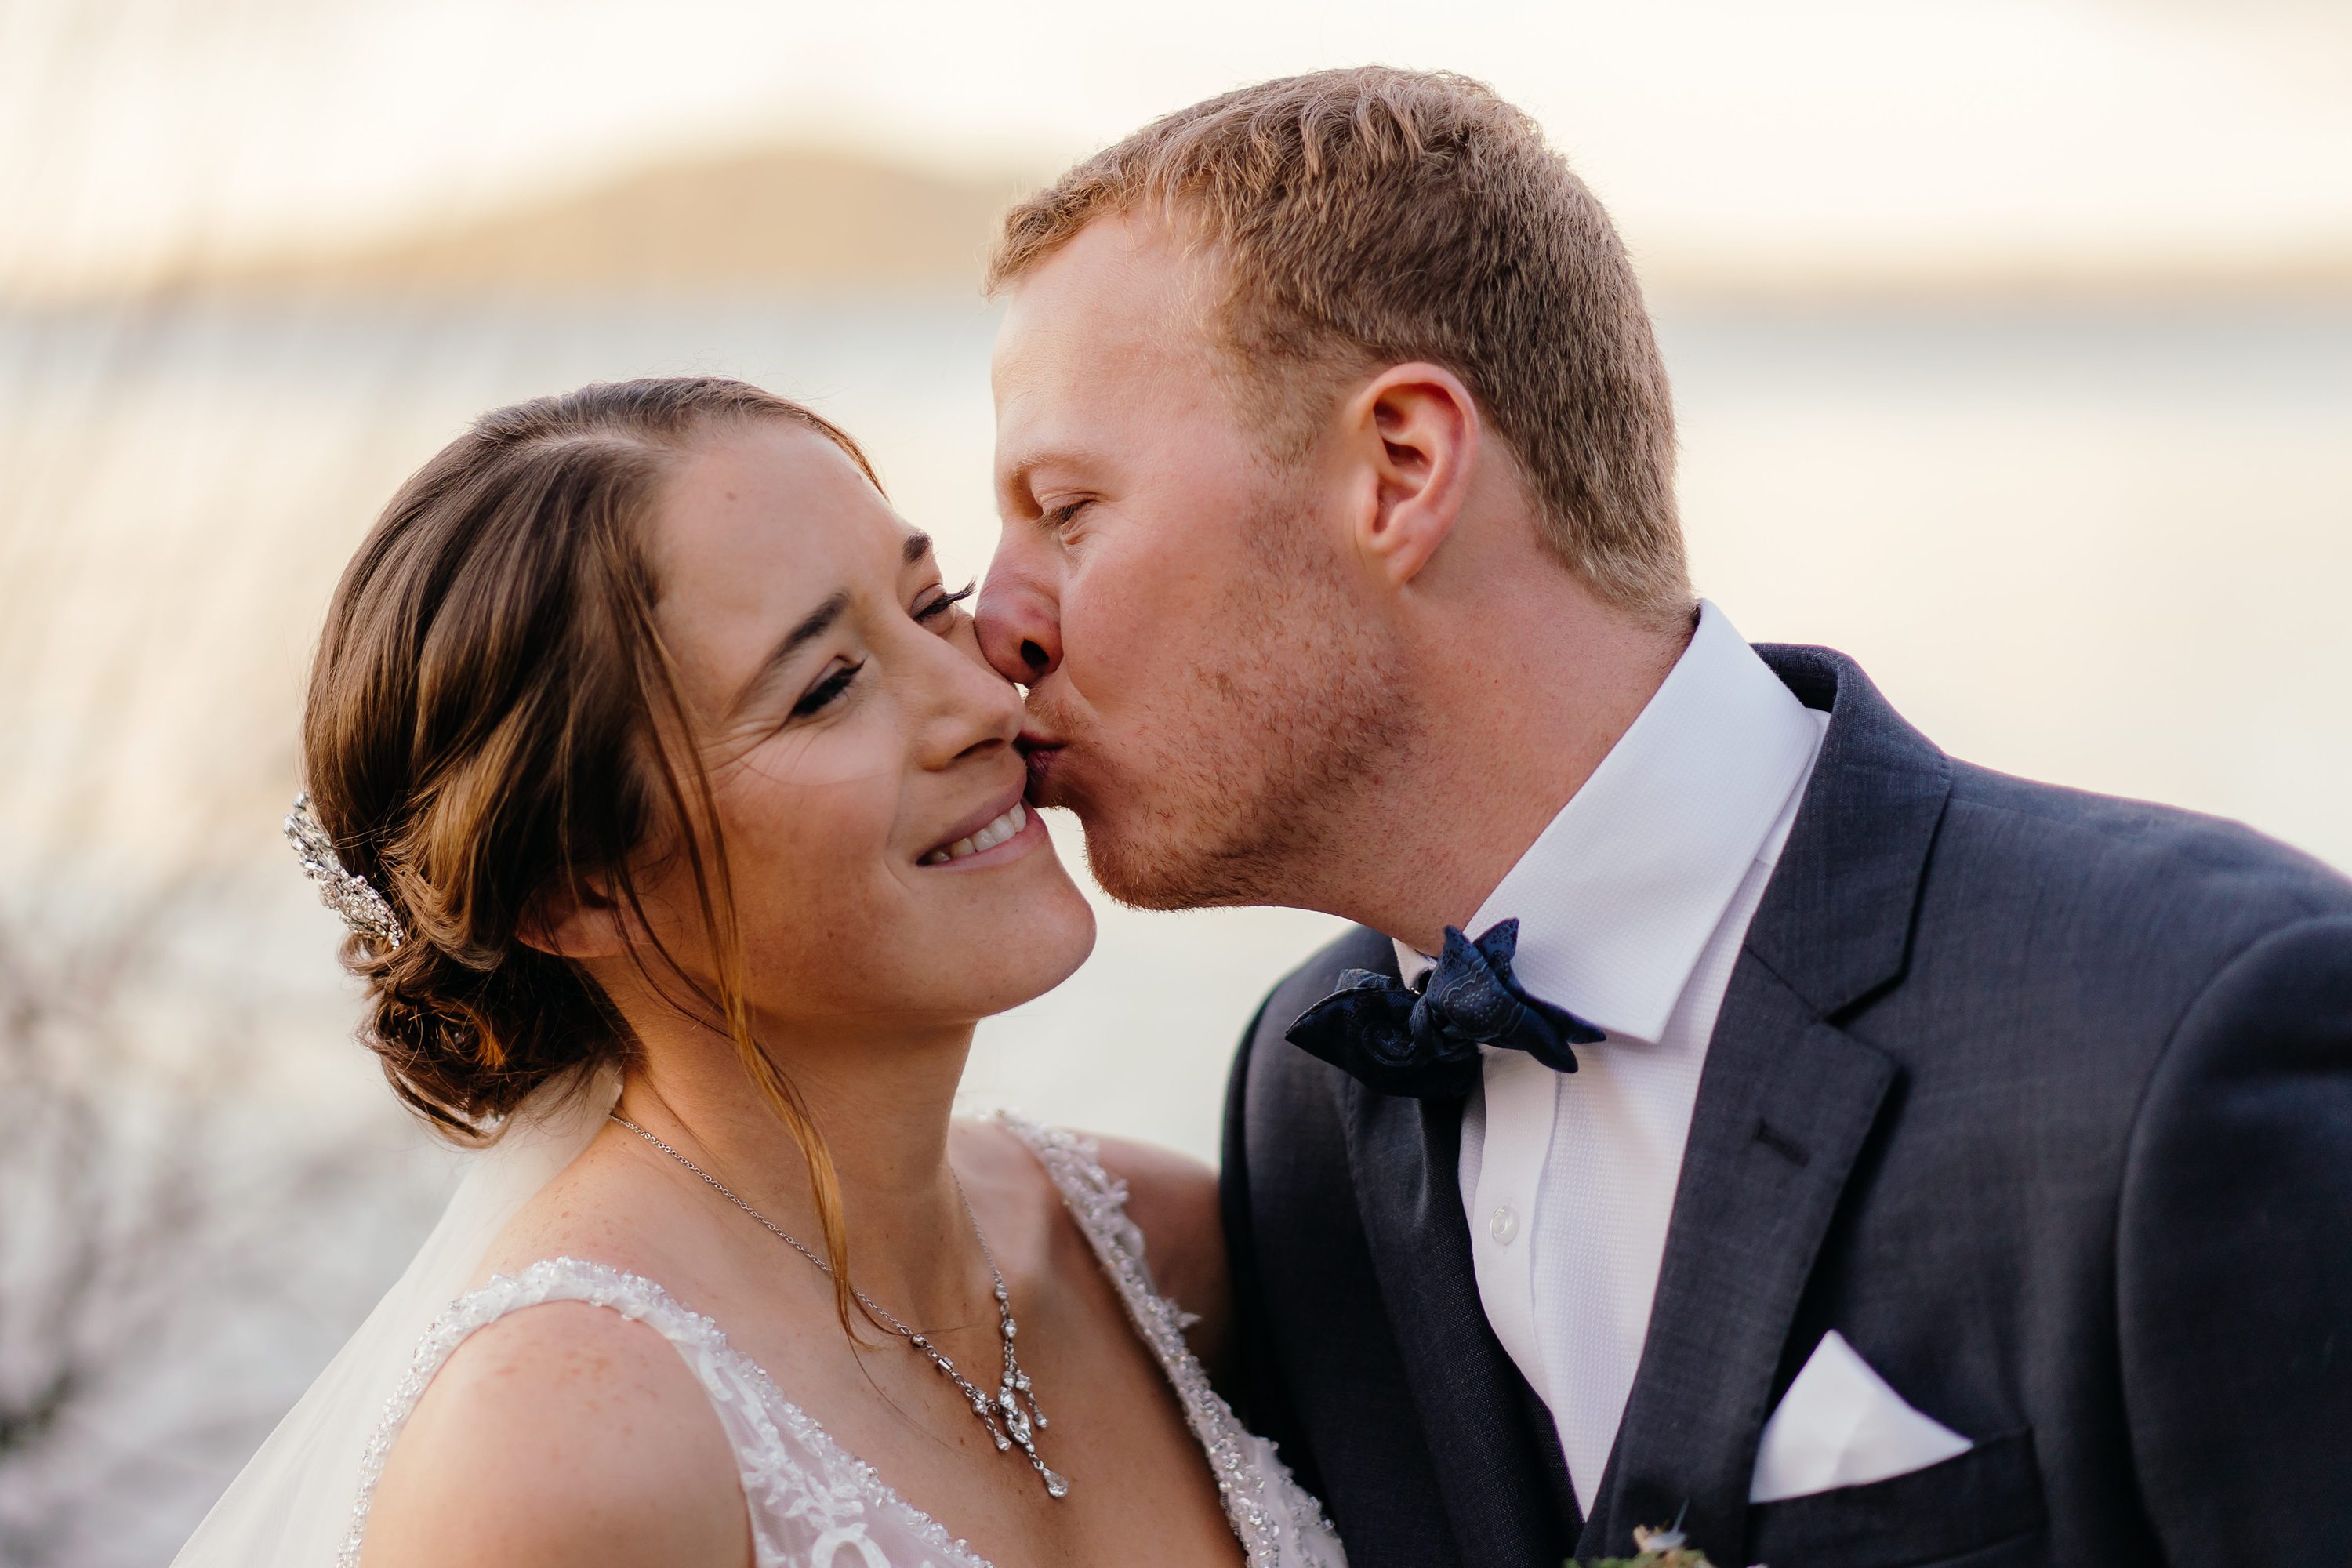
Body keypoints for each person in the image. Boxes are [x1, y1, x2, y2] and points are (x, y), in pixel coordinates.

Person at [975, 66, 2352, 1568]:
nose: (996, 622)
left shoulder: (2188, 1029)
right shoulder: (1309, 1101)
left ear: (1401, 470)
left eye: (1068, 511)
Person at [173, 378, 1345, 1568]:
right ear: (572, 891)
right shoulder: (566, 1444)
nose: (987, 699)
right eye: (828, 686)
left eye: (935, 606)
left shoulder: (1161, 1247)